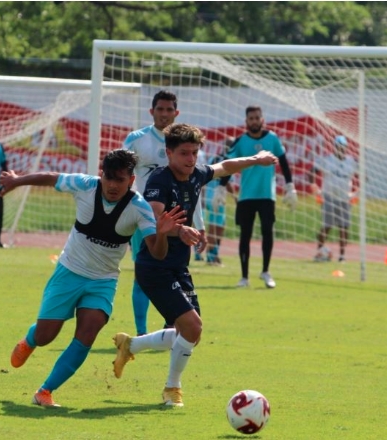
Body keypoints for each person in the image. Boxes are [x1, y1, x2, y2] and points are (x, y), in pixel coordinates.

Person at [0, 149, 186, 408]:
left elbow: (157, 252)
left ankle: (45, 391)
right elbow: (51, 177)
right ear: (101, 175)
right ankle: (30, 340)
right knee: (46, 335)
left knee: (87, 333)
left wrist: (163, 234)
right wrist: (17, 180)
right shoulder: (85, 185)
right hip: (69, 272)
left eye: (119, 180)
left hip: (103, 281)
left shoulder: (139, 208)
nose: (112, 185)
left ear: (131, 181)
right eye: (108, 178)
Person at [111, 123, 279, 407]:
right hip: (154, 265)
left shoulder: (196, 174)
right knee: (192, 326)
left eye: (194, 153)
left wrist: (256, 160)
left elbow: (224, 166)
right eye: (184, 153)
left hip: (178, 266)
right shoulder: (159, 181)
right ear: (169, 153)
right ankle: (171, 389)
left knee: (189, 333)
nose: (191, 159)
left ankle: (131, 345)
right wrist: (180, 231)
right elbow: (154, 221)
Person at [122, 90, 206, 336]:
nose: (165, 114)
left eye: (169, 110)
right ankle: (141, 332)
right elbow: (118, 170)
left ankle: (172, 325)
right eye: (160, 109)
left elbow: (194, 187)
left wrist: (200, 224)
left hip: (180, 220)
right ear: (152, 111)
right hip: (146, 217)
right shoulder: (137, 139)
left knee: (175, 273)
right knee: (144, 271)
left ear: (176, 113)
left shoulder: (185, 143)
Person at [222, 106, 297, 289]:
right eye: (251, 118)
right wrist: (220, 187)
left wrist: (290, 186)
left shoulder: (272, 139)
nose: (254, 121)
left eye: (257, 117)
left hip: (267, 195)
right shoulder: (240, 141)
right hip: (246, 195)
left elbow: (284, 163)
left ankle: (265, 271)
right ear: (246, 121)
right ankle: (244, 277)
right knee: (245, 235)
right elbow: (228, 165)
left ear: (262, 119)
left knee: (267, 232)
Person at [309, 135, 359, 263]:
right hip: (329, 197)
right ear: (334, 147)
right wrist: (316, 190)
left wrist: (356, 194)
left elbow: (364, 177)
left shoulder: (352, 161)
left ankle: (342, 256)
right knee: (327, 226)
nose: (341, 149)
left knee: (344, 227)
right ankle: (320, 252)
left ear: (346, 148)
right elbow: (312, 172)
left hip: (344, 199)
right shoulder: (327, 159)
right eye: (338, 146)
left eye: (343, 147)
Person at [205, 136, 236, 266]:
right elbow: (227, 183)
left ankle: (214, 255)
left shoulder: (214, 158)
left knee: (219, 226)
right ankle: (211, 256)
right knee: (215, 227)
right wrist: (235, 198)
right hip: (217, 197)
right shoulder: (229, 161)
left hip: (210, 195)